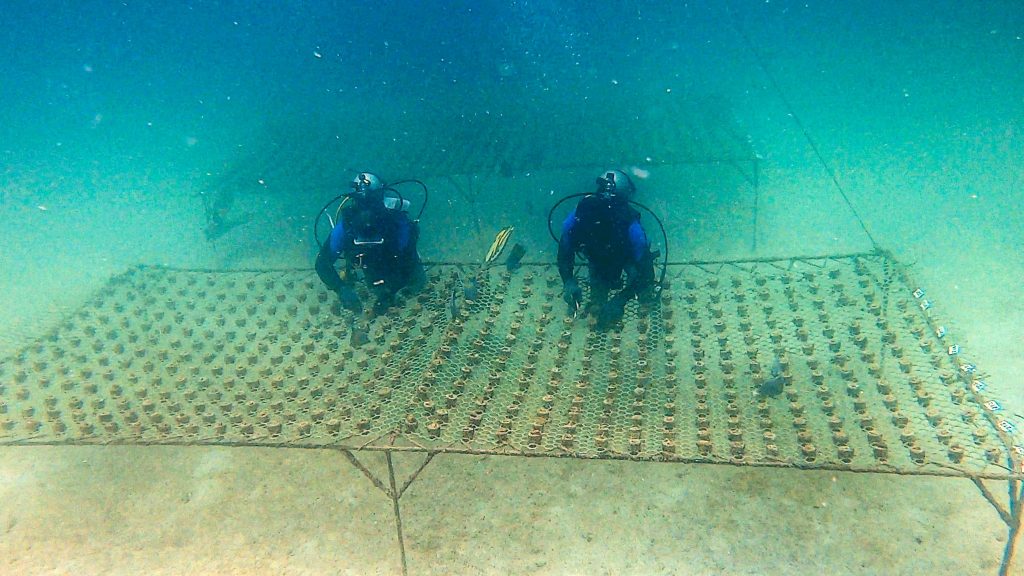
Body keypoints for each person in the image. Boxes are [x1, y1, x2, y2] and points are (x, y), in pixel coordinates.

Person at [315, 172, 425, 315]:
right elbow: (323, 263)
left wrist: (389, 294)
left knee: (415, 283)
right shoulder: (346, 227)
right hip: (371, 269)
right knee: (374, 283)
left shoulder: (397, 223)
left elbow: (409, 263)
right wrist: (340, 289)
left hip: (398, 268)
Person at [557, 169, 655, 329]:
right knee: (611, 287)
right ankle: (600, 303)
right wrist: (568, 282)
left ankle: (639, 299)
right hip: (610, 258)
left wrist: (621, 300)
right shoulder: (630, 224)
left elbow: (565, 251)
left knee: (636, 282)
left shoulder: (580, 215)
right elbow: (646, 270)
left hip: (608, 258)